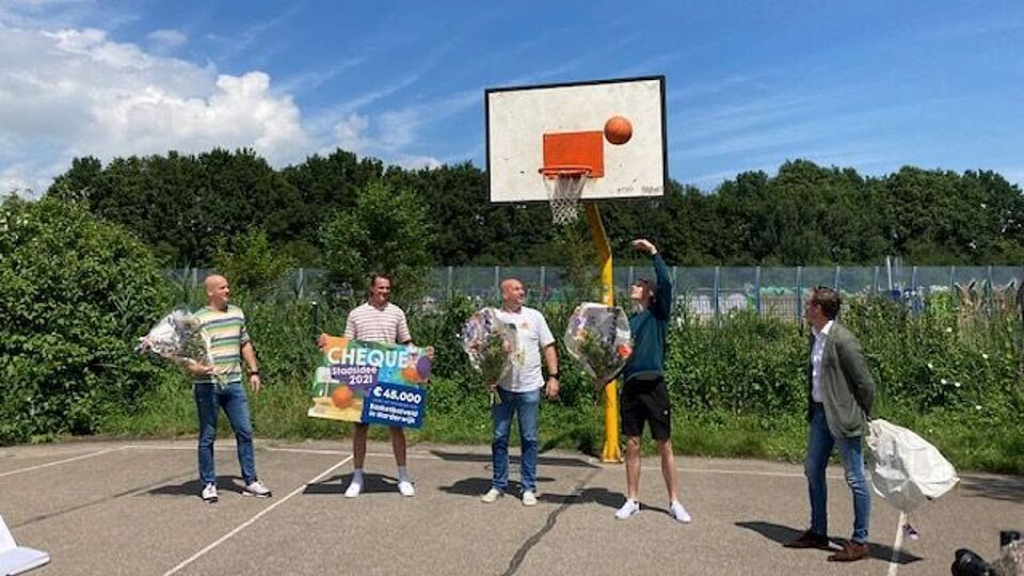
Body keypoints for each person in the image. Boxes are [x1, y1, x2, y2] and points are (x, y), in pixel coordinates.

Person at [784, 286, 875, 562]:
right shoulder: (815, 337)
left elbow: (865, 384)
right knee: (812, 469)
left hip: (843, 417)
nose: (804, 306)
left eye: (808, 303)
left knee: (855, 478)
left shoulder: (843, 340)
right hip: (821, 415)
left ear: (819, 309)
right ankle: (818, 531)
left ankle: (860, 540)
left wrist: (860, 414)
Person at [319, 273, 429, 498]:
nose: (385, 292)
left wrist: (422, 356)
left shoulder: (397, 312)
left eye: (388, 288)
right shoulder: (356, 314)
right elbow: (347, 345)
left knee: (396, 425)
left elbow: (406, 342)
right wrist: (327, 343)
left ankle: (403, 476)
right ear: (371, 289)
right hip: (363, 374)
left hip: (391, 374)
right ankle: (357, 477)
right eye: (381, 288)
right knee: (360, 427)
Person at [614, 239, 689, 523]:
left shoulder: (658, 314)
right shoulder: (627, 324)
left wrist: (653, 251)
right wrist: (605, 376)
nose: (634, 285)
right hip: (631, 386)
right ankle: (632, 499)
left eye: (640, 283)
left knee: (664, 443)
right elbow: (619, 358)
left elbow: (666, 282)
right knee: (632, 444)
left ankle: (674, 502)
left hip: (654, 384)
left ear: (650, 293)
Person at [186, 274, 271, 503]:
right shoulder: (198, 318)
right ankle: (209, 483)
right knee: (208, 436)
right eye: (222, 287)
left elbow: (245, 343)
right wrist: (196, 368)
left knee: (244, 432)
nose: (227, 290)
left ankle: (251, 480)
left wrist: (253, 371)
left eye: (227, 287)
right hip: (208, 386)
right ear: (211, 292)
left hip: (234, 383)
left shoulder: (237, 313)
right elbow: (186, 352)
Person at [480, 278, 560, 507]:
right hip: (502, 388)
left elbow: (548, 346)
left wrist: (554, 377)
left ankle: (528, 487)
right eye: (515, 289)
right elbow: (482, 350)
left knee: (529, 438)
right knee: (499, 437)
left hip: (530, 387)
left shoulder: (535, 316)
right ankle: (498, 485)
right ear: (504, 294)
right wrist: (488, 374)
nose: (521, 291)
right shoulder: (493, 318)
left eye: (522, 288)